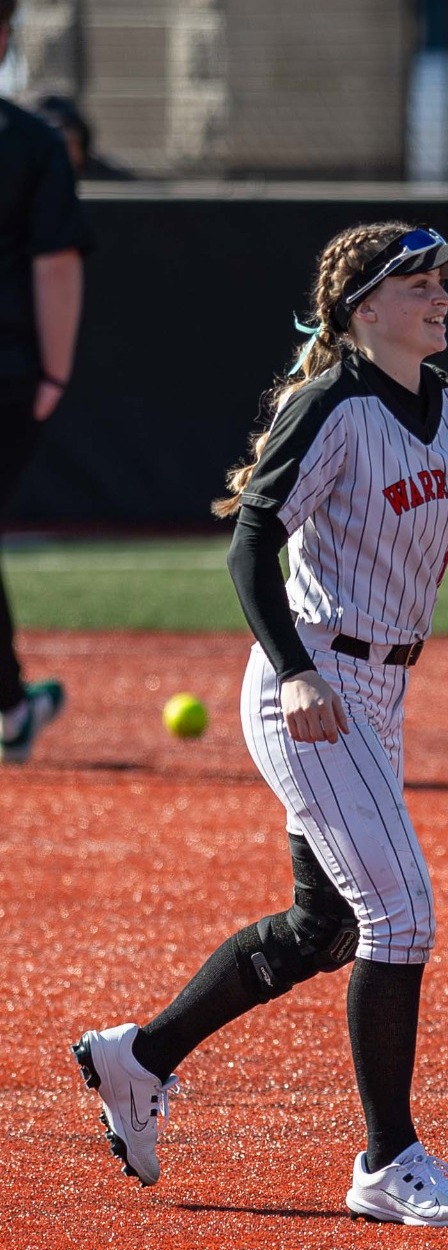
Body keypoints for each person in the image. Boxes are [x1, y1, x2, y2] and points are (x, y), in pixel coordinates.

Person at [72, 221, 448, 1223]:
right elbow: (251, 545)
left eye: (443, 279)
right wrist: (298, 670)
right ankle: (386, 1160)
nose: (443, 294)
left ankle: (136, 1056)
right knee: (400, 914)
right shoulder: (334, 408)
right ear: (364, 311)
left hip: (379, 693)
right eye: (418, 282)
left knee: (325, 926)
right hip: (308, 686)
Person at [0, 0, 89, 766]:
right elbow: (55, 263)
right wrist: (54, 371)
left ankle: (9, 706)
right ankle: (9, 707)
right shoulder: (26, 141)